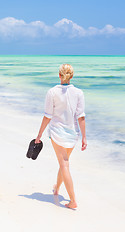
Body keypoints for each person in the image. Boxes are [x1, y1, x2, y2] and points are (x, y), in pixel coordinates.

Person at [35, 64, 87, 209]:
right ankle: (57, 188)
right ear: (72, 76)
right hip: (72, 135)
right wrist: (84, 137)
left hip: (57, 133)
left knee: (64, 163)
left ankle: (73, 200)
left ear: (59, 75)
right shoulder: (79, 93)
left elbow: (47, 116)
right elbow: (81, 117)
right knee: (64, 162)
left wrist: (39, 135)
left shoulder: (52, 92)